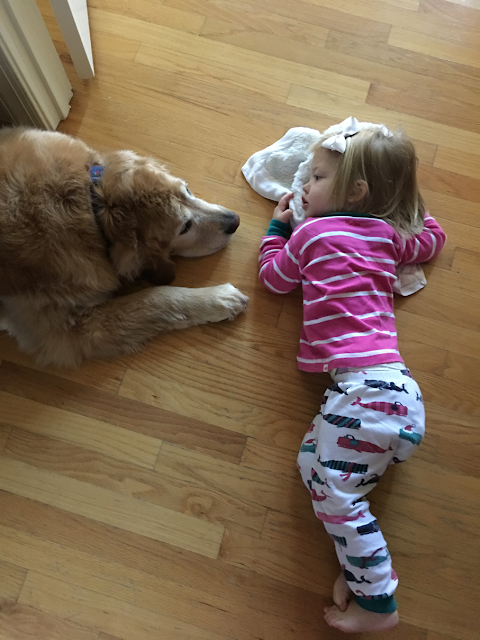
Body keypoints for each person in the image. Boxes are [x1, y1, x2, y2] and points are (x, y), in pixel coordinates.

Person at [258, 118, 446, 633]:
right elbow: (432, 240)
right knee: (312, 469)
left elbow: (273, 279)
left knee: (337, 497)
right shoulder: (388, 235)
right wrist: (405, 198)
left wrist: (277, 230)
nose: (304, 185)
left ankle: (379, 603)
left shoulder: (310, 234)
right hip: (386, 393)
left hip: (365, 392)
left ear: (356, 191)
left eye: (317, 178)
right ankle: (359, 566)